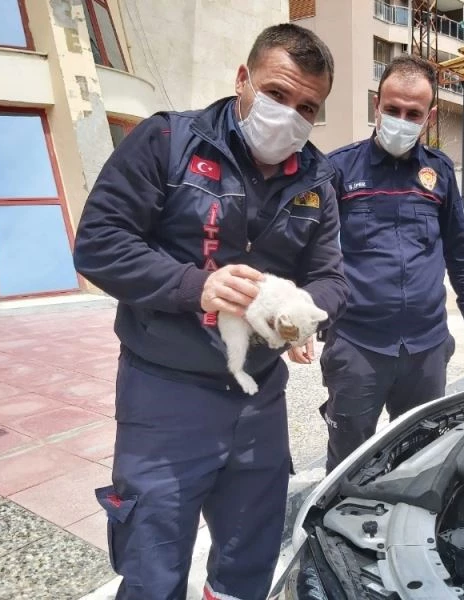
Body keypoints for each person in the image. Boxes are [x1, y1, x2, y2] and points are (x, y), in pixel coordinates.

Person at [72, 24, 347, 600]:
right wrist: (192, 285)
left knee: (250, 555)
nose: (289, 115)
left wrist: (301, 311)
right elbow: (99, 242)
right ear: (243, 79)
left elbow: (331, 279)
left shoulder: (318, 178)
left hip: (258, 398)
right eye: (276, 94)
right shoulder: (167, 141)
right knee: (153, 563)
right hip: (164, 395)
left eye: (307, 107)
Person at [288, 54, 464, 474]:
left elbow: (459, 247)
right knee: (349, 458)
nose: (402, 119)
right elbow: (308, 248)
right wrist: (299, 317)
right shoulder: (338, 169)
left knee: (419, 456)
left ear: (428, 116)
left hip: (426, 346)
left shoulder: (439, 173)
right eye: (393, 109)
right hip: (358, 346)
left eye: (413, 113)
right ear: (376, 106)